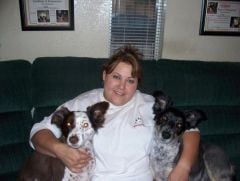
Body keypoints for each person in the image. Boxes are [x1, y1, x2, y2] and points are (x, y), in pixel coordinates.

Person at [30, 45, 200, 181]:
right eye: (116, 77)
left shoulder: (150, 105)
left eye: (130, 80)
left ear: (137, 84)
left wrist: (183, 167)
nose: (121, 86)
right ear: (104, 75)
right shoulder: (83, 103)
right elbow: (38, 132)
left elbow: (190, 130)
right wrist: (60, 150)